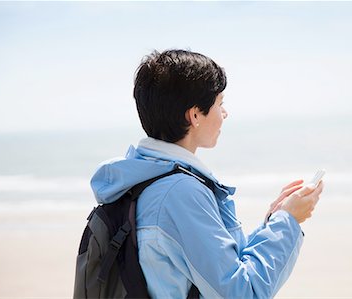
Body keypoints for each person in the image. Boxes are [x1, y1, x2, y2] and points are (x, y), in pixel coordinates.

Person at [90, 49, 324, 298]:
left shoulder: (144, 177)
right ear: (194, 115)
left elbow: (225, 268)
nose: (225, 113)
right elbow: (242, 292)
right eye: (219, 104)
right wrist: (287, 222)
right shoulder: (179, 193)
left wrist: (274, 221)